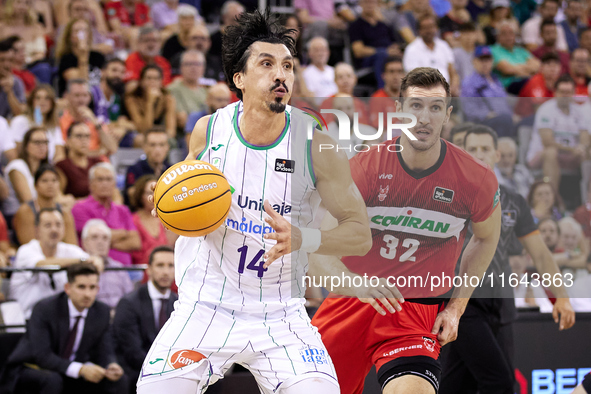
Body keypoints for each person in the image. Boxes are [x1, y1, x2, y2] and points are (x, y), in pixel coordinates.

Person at [138, 10, 372, 393]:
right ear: (239, 79)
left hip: (281, 312)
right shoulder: (208, 131)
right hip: (208, 304)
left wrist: (304, 238)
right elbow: (179, 195)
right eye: (267, 64)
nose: (281, 74)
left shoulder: (318, 146)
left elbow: (360, 233)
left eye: (288, 66)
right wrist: (166, 199)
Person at [311, 67, 502, 394]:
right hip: (351, 300)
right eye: (415, 105)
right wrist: (356, 284)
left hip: (414, 312)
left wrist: (456, 308)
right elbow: (321, 246)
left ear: (447, 115)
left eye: (435, 107)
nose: (424, 117)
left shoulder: (476, 179)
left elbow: (486, 238)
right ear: (398, 110)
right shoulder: (365, 167)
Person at [439, 125, 575, 394]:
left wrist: (561, 295)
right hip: (461, 304)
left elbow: (540, 253)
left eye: (485, 149)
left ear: (497, 154)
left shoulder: (513, 200)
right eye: (472, 148)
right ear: (462, 152)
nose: (479, 154)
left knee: (458, 385)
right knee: (499, 383)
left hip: (502, 304)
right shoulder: (446, 195)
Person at [5, 263, 127, 394]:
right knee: (53, 380)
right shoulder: (45, 309)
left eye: (92, 288)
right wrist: (80, 369)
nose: (87, 294)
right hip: (31, 367)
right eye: (81, 287)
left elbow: (105, 347)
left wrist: (111, 365)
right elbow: (42, 356)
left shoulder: (101, 311)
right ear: (68, 288)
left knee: (119, 380)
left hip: (73, 367)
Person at [9, 208, 102, 318]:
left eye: (58, 225)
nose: (54, 230)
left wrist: (96, 260)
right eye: (48, 225)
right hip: (24, 320)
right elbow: (44, 265)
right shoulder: (26, 250)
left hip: (58, 321)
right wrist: (80, 261)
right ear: (37, 230)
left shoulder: (70, 250)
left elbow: (95, 262)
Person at [113, 246, 178, 393]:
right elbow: (132, 351)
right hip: (137, 369)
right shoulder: (129, 303)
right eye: (160, 265)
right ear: (149, 269)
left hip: (169, 370)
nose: (166, 272)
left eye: (171, 266)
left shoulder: (180, 303)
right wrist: (163, 371)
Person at [527, 75, 589, 196]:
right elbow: (547, 142)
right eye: (562, 92)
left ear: (574, 93)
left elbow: (585, 136)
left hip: (570, 156)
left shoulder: (579, 111)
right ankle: (553, 200)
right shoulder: (546, 109)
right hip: (541, 156)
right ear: (555, 92)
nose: (565, 95)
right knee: (551, 152)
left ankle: (588, 201)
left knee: (589, 152)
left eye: (569, 92)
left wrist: (582, 147)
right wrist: (573, 150)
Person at [72, 162, 141, 266]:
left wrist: (104, 242)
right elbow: (89, 239)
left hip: (125, 269)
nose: (105, 183)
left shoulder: (123, 210)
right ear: (90, 183)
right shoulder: (80, 208)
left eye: (108, 179)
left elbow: (136, 242)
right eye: (100, 179)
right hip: (93, 267)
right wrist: (123, 233)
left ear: (114, 184)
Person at [13, 164, 77, 245]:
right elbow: (28, 244)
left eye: (54, 180)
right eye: (44, 181)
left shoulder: (64, 213)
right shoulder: (25, 211)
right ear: (36, 186)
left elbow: (72, 244)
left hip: (60, 255)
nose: (50, 184)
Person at [460, 45, 514, 137]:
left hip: (504, 119)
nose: (485, 63)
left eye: (487, 60)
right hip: (482, 123)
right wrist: (487, 114)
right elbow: (468, 109)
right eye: (481, 60)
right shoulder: (469, 82)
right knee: (505, 120)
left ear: (492, 61)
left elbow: (505, 102)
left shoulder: (496, 80)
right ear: (474, 62)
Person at [81, 219, 133, 309]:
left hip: (118, 317)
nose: (100, 242)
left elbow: (130, 299)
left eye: (105, 238)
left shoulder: (119, 268)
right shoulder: (79, 268)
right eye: (94, 237)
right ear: (84, 243)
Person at [59, 79, 118, 157]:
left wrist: (95, 123)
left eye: (85, 95)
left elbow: (113, 149)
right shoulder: (60, 120)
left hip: (99, 165)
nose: (81, 100)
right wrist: (99, 152)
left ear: (90, 97)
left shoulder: (96, 121)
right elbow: (66, 151)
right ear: (67, 96)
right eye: (77, 95)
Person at [349, 0, 400, 89]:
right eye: (367, 2)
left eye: (372, 2)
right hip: (367, 61)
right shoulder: (356, 25)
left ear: (377, 4)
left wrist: (394, 50)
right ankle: (383, 91)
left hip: (387, 57)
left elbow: (394, 44)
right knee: (381, 55)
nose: (370, 5)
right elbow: (358, 51)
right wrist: (383, 51)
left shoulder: (384, 25)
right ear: (361, 4)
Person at [403, 15, 460, 95]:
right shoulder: (412, 49)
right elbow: (413, 78)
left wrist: (453, 87)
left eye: (431, 27)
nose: (429, 30)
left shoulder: (444, 46)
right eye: (425, 28)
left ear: (436, 28)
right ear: (419, 30)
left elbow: (452, 71)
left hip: (447, 92)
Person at [3, 127, 49, 223]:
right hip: (17, 218)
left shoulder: (46, 168)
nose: (42, 146)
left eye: (45, 142)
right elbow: (28, 202)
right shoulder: (17, 166)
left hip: (42, 215)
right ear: (26, 145)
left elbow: (57, 197)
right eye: (37, 142)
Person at [10, 84, 65, 162]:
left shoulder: (54, 126)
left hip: (48, 168)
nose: (42, 102)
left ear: (52, 103)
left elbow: (60, 154)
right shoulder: (20, 121)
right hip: (26, 165)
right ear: (32, 101)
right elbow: (16, 152)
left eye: (47, 98)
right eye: (38, 98)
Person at [130, 175, 177, 266]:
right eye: (149, 193)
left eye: (157, 192)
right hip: (141, 272)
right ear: (140, 195)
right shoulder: (132, 220)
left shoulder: (168, 219)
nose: (154, 197)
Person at [91, 59, 137, 148]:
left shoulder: (120, 97)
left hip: (115, 137)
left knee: (139, 139)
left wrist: (122, 128)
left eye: (122, 72)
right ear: (103, 72)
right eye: (114, 70)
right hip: (95, 136)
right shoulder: (91, 94)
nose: (118, 75)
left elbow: (132, 124)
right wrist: (117, 125)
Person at [55, 122, 108, 199]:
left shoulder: (98, 163)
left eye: (87, 136)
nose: (84, 140)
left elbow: (112, 191)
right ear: (68, 141)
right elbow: (58, 197)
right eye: (79, 136)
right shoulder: (62, 166)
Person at [56, 18, 106, 96]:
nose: (81, 34)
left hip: (97, 98)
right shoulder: (66, 59)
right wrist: (83, 56)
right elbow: (81, 84)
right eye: (77, 31)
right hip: (78, 98)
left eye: (84, 30)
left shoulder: (98, 56)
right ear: (70, 37)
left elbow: (104, 83)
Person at [124, 65, 177, 139]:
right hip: (138, 134)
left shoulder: (168, 99)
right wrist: (150, 102)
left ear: (161, 82)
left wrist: (161, 138)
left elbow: (171, 131)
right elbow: (144, 129)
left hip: (161, 136)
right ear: (141, 81)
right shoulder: (132, 99)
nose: (152, 82)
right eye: (148, 78)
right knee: (140, 139)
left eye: (156, 79)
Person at [490, 20, 540, 94]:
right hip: (509, 86)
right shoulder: (493, 50)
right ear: (498, 36)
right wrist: (527, 70)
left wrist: (517, 69)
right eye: (504, 34)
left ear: (515, 35)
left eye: (511, 33)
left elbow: (537, 66)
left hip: (527, 82)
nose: (508, 37)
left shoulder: (521, 51)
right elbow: (507, 69)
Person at [124, 127, 170, 202]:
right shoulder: (134, 169)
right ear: (145, 147)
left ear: (167, 147)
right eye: (152, 145)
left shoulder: (172, 170)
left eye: (162, 145)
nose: (157, 150)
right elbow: (131, 194)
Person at [167, 50, 208, 131]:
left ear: (203, 68)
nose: (193, 68)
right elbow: (182, 121)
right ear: (181, 67)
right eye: (189, 64)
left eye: (197, 64)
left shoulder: (206, 91)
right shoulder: (172, 89)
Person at [368, 56, 404, 130]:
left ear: (404, 75)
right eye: (391, 71)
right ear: (383, 75)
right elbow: (378, 130)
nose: (395, 76)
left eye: (399, 71)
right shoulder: (377, 99)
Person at [0, 39, 25, 119]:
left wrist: (9, 92)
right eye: (2, 60)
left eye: (10, 60)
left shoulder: (17, 82)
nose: (6, 65)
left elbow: (20, 114)